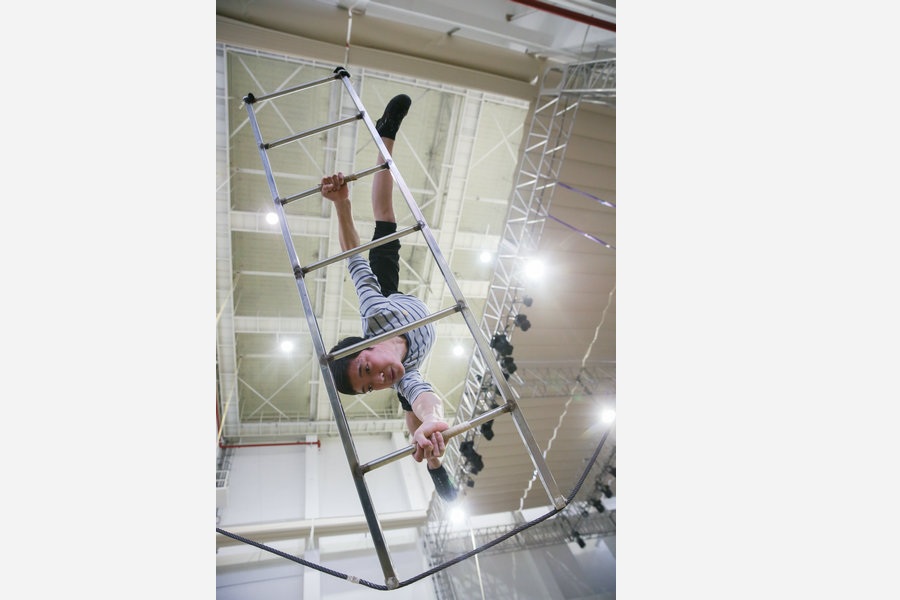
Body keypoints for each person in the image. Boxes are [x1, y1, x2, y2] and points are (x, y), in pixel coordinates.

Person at [320, 94, 457, 502]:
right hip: (409, 349)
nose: (380, 379)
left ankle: (386, 133)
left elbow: (352, 258)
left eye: (368, 369)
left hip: (391, 296)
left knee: (385, 211)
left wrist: (342, 204)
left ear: (365, 347)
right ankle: (434, 462)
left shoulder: (372, 311)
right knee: (414, 420)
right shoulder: (405, 373)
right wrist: (434, 420)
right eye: (369, 387)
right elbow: (425, 396)